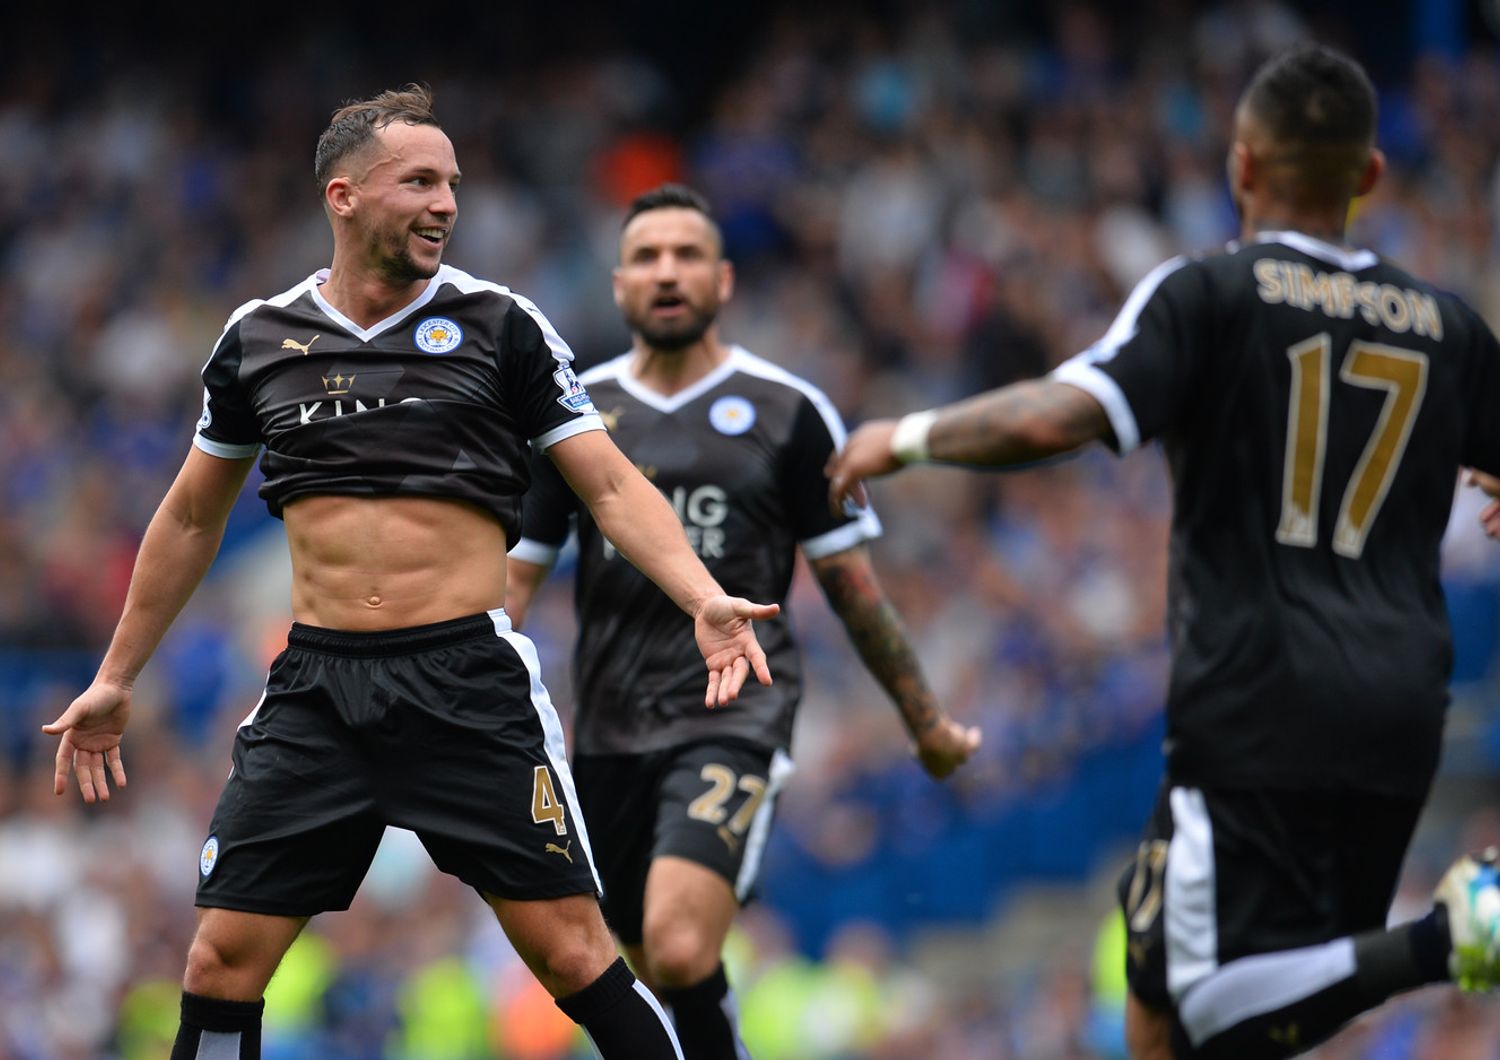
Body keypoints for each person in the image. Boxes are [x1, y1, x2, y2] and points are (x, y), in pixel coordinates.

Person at [42, 86, 785, 1060]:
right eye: (421, 181)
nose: (447, 203)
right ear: (343, 196)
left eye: (454, 184)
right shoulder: (259, 340)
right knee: (221, 961)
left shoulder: (501, 326)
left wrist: (701, 597)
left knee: (573, 954)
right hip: (317, 689)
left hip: (465, 684)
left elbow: (607, 482)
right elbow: (189, 513)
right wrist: (117, 676)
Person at [828, 43, 1500, 1060]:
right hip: (1400, 704)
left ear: (1238, 166)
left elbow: (1063, 413)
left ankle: (1442, 941)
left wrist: (905, 436)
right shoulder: (1449, 328)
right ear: (1367, 175)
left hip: (1257, 692)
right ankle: (1415, 946)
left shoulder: (1212, 292)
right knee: (1165, 993)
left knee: (1208, 1007)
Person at [505, 183, 981, 1058]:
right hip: (609, 730)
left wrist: (926, 722)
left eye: (687, 255)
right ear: (618, 285)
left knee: (683, 944)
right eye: (647, 257)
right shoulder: (572, 418)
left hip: (736, 714)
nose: (667, 272)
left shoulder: (789, 412)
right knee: (641, 968)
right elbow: (514, 586)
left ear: (724, 281)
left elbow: (854, 589)